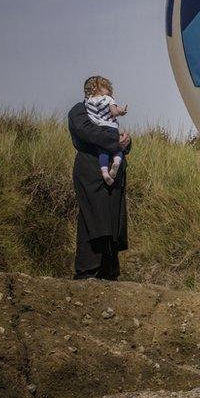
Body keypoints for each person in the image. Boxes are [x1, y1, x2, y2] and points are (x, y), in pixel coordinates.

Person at [67, 76, 132, 280]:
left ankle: (109, 271)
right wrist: (115, 141)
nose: (109, 93)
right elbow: (87, 132)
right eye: (105, 89)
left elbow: (122, 141)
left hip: (114, 172)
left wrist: (125, 141)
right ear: (94, 89)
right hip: (90, 169)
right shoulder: (80, 110)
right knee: (93, 217)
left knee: (111, 220)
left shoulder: (110, 117)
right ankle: (87, 271)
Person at [83, 76, 129, 186]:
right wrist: (121, 111)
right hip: (111, 127)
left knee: (103, 152)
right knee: (117, 147)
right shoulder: (108, 99)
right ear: (99, 88)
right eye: (107, 88)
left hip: (100, 129)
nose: (109, 91)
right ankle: (116, 163)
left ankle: (105, 173)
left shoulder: (88, 102)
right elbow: (114, 112)